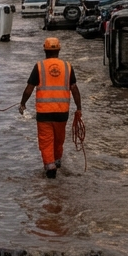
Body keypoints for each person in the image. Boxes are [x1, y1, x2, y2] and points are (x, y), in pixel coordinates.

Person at [19, 37, 82, 179]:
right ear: (59, 50)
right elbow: (74, 88)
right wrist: (79, 108)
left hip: (44, 114)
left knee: (46, 141)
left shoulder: (39, 66)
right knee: (59, 140)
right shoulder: (67, 66)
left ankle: (50, 167)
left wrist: (23, 103)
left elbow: (29, 88)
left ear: (45, 50)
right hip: (62, 113)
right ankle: (57, 160)